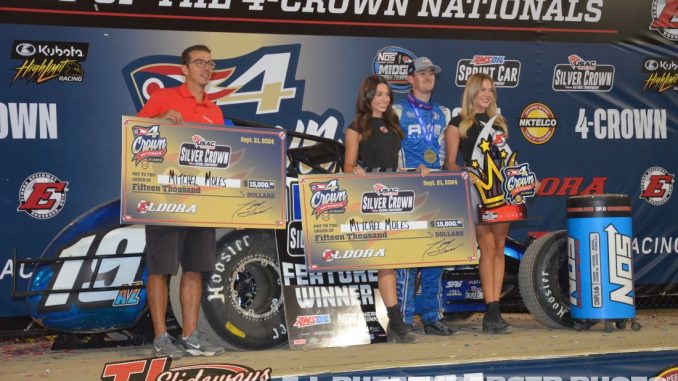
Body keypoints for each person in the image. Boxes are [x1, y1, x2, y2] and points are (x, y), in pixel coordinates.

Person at [137, 44, 228, 357]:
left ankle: (190, 336)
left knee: (194, 269)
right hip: (165, 198)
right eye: (199, 62)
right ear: (184, 69)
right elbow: (135, 134)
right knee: (161, 269)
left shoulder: (215, 111)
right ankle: (161, 336)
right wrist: (159, 119)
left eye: (210, 63)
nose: (206, 67)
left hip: (202, 203)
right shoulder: (164, 98)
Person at [344, 75, 416, 344]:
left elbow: (395, 165)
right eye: (379, 94)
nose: (384, 99)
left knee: (392, 262)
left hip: (395, 197)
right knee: (386, 262)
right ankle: (396, 322)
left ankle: (396, 322)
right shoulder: (356, 128)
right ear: (368, 97)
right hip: (371, 201)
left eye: (387, 94)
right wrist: (356, 170)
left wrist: (414, 171)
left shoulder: (393, 125)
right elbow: (348, 166)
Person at [392, 57, 457, 336]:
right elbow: (388, 149)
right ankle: (404, 320)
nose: (428, 77)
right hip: (407, 187)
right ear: (410, 78)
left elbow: (444, 154)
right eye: (421, 73)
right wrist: (405, 171)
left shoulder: (442, 111)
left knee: (436, 255)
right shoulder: (396, 110)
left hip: (437, 188)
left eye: (431, 72)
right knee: (407, 258)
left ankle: (431, 316)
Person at [444, 72, 512, 334]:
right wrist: (465, 173)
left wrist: (522, 180)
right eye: (483, 89)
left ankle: (495, 313)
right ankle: (491, 309)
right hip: (476, 190)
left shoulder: (499, 124)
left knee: (499, 246)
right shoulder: (458, 123)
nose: (487, 94)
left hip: (501, 191)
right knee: (486, 245)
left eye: (491, 90)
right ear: (472, 92)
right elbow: (449, 162)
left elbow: (506, 161)